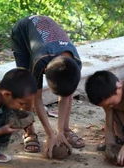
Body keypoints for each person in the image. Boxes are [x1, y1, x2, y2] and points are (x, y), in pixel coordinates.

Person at [11, 15, 84, 158]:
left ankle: (65, 130)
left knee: (65, 98)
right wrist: (50, 134)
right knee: (26, 90)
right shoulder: (40, 62)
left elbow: (66, 96)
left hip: (46, 37)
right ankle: (29, 131)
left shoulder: (75, 63)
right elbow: (36, 98)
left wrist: (59, 131)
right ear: (44, 72)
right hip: (22, 32)